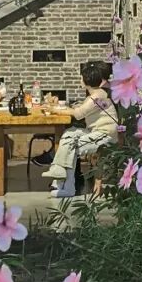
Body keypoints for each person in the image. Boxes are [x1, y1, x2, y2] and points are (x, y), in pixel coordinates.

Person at [44, 62, 119, 198]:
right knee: (68, 134)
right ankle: (59, 176)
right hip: (97, 131)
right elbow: (82, 108)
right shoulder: (98, 94)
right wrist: (63, 108)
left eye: (81, 77)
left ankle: (66, 186)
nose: (80, 80)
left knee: (70, 146)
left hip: (105, 134)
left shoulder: (96, 97)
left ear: (86, 81)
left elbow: (78, 114)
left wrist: (54, 109)